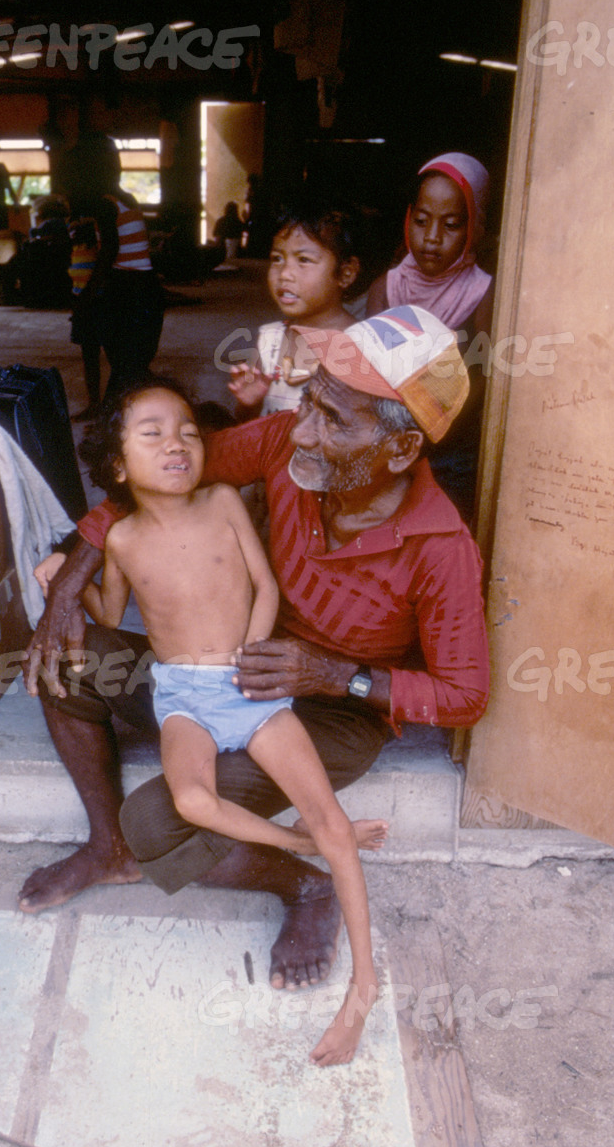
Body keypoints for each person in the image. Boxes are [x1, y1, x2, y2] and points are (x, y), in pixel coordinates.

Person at [21, 305, 490, 1012]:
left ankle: (302, 883)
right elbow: (159, 477)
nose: (301, 430)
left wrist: (338, 674)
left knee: (163, 823)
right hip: (215, 670)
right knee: (70, 651)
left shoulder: (440, 547)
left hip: (332, 711)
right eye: (309, 404)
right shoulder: (283, 445)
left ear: (398, 451)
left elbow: (464, 694)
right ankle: (105, 846)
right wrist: (72, 583)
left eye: (335, 422)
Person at [74, 379, 387, 1064]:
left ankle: (362, 990)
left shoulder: (221, 501)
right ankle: (297, 847)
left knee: (334, 822)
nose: (176, 442)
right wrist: (57, 578)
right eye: (151, 433)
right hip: (182, 694)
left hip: (251, 684)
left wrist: (254, 656)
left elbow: (265, 583)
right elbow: (107, 614)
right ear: (118, 465)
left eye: (186, 428)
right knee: (190, 799)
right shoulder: (122, 537)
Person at [365, 153, 495, 519]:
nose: (432, 238)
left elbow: (484, 378)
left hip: (453, 455)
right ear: (408, 218)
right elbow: (369, 372)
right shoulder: (386, 289)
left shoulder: (482, 294)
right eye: (421, 221)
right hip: (390, 446)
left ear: (475, 228)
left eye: (451, 225)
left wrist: (433, 417)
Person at [56, 133, 164, 422]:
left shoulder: (105, 204)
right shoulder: (121, 199)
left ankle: (115, 420)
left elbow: (110, 251)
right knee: (128, 363)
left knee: (128, 365)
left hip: (129, 289)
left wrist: (87, 296)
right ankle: (113, 414)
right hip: (139, 287)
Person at [229, 198, 366, 420]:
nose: (284, 274)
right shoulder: (270, 340)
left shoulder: (362, 344)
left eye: (303, 259)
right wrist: (250, 403)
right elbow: (247, 426)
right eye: (277, 258)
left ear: (346, 273)